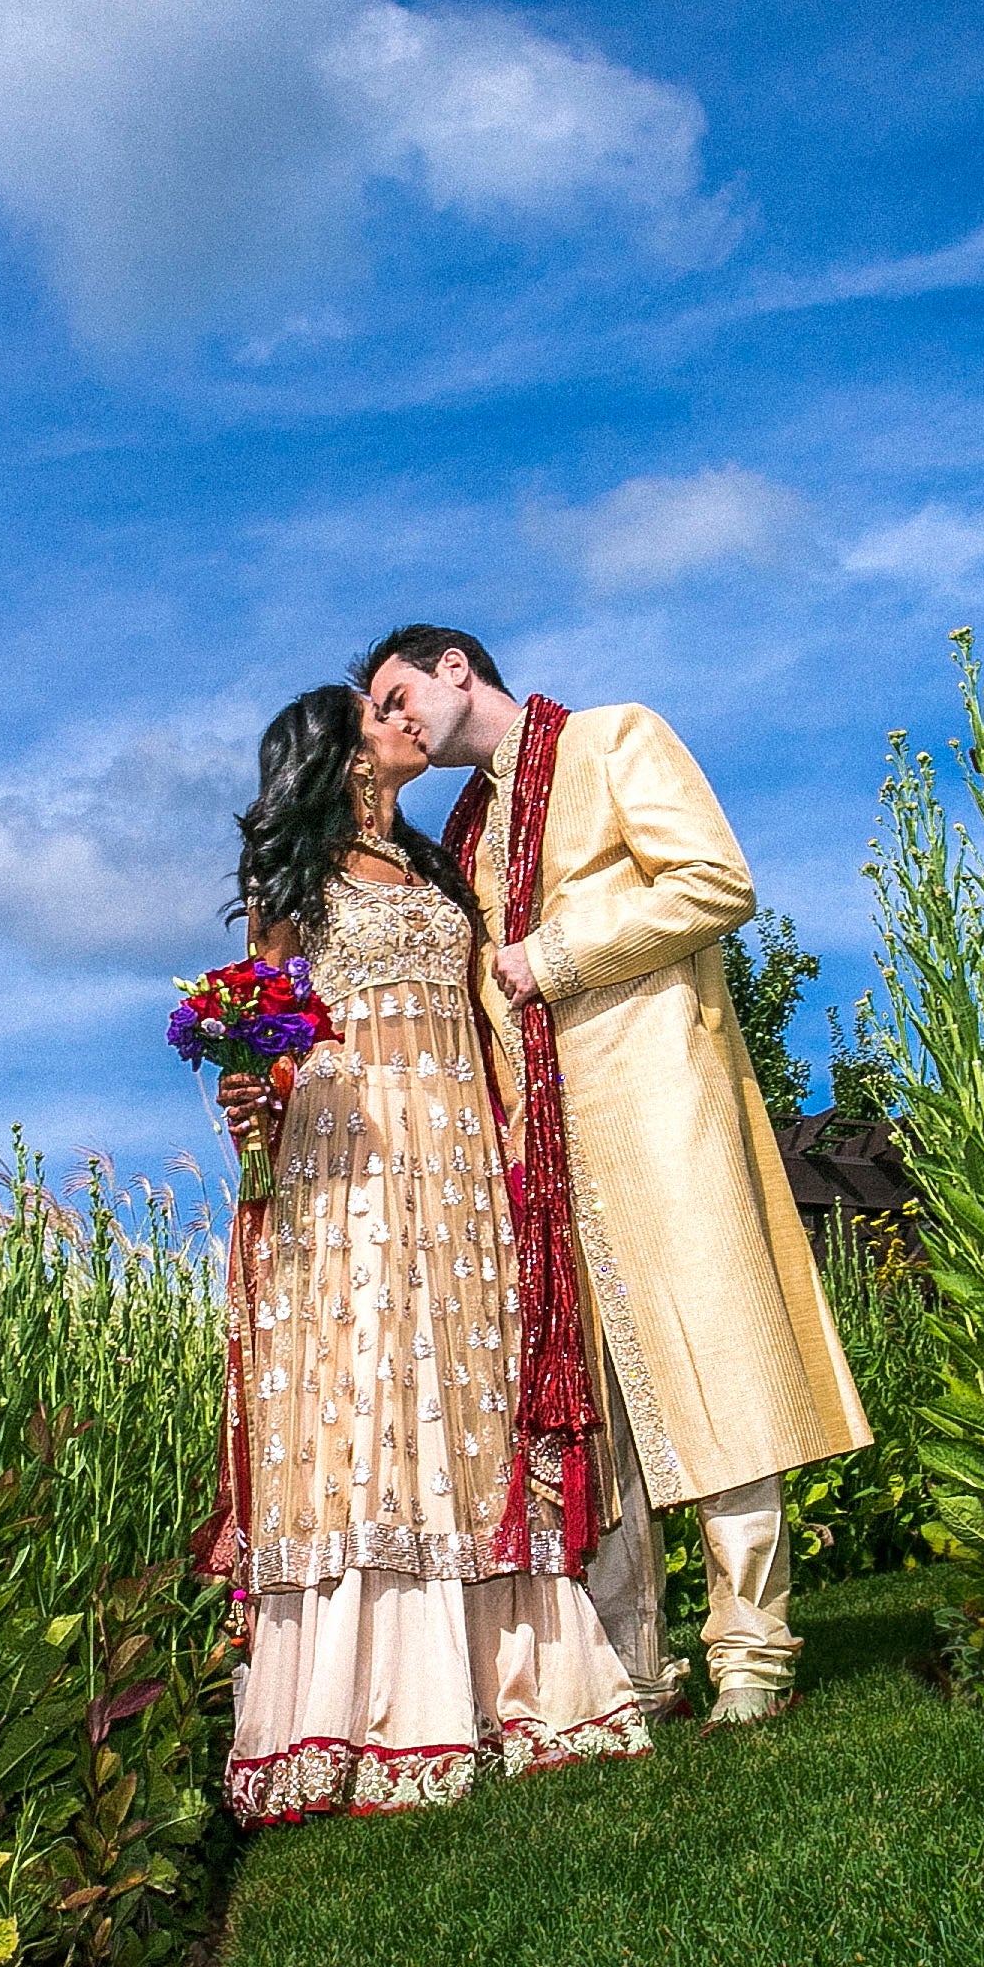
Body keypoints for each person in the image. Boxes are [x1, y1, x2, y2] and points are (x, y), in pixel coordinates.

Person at [340, 624, 870, 1725]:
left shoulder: (613, 740)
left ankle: (753, 1654)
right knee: (598, 1404)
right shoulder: (472, 827)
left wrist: (557, 953)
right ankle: (633, 1663)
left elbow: (716, 881)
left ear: (453, 667)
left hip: (657, 1105)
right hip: (544, 1152)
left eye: (399, 697)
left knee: (715, 1367)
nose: (395, 726)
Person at [203, 682, 655, 1823]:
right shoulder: (294, 881)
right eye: (378, 712)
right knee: (367, 1393)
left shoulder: (443, 868)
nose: (404, 720)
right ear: (342, 752)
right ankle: (369, 1706)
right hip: (348, 1152)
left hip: (458, 1153)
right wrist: (250, 1094)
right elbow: (260, 1026)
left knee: (470, 1391)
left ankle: (511, 1684)